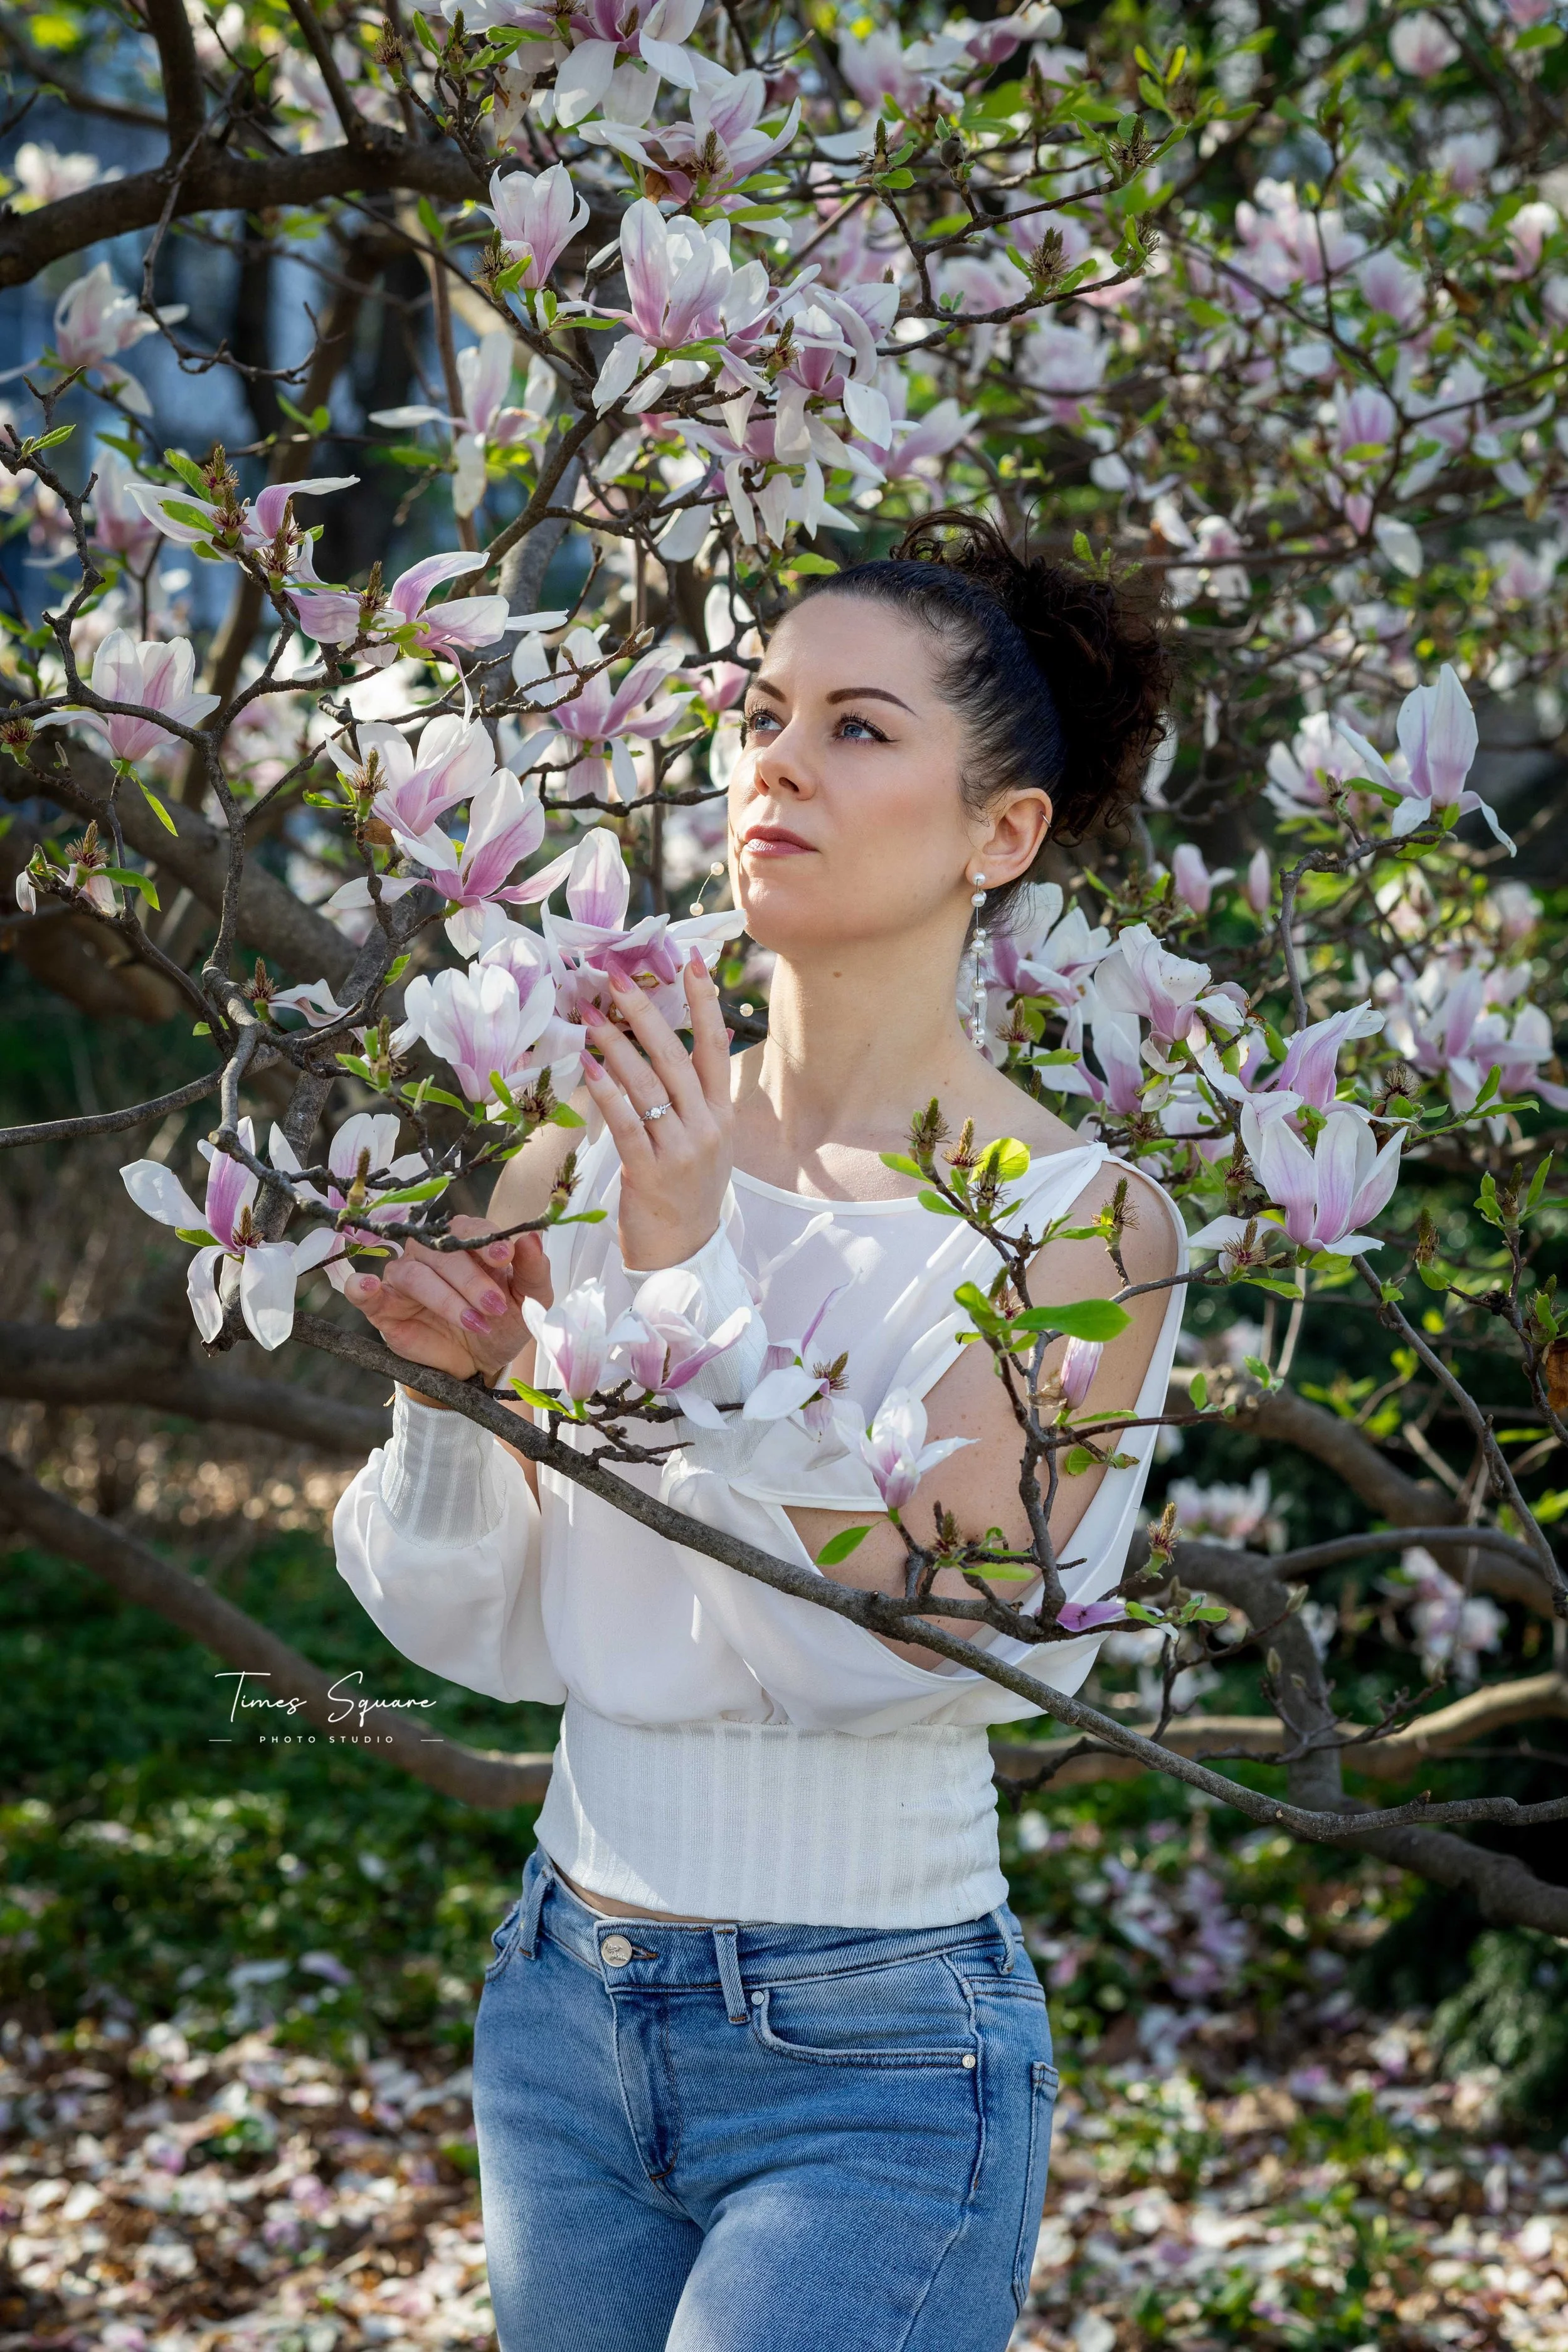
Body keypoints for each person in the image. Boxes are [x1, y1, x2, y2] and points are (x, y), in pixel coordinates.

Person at [332, 514, 1187, 2352]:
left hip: (875, 2049)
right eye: (758, 716)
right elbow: (473, 1623)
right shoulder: (590, 1141)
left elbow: (912, 1625)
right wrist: (448, 1397)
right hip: (563, 1996)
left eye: (859, 728)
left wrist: (676, 1267)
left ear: (999, 830)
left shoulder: (1079, 1229)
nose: (776, 763)